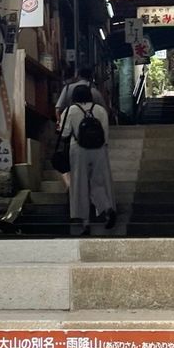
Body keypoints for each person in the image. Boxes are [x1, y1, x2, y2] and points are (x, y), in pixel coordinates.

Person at [59, 82, 115, 236]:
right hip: (99, 149)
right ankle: (108, 209)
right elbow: (105, 132)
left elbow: (64, 133)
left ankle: (85, 223)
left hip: (78, 149)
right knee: (98, 182)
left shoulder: (70, 110)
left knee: (80, 184)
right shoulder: (101, 110)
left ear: (74, 96)